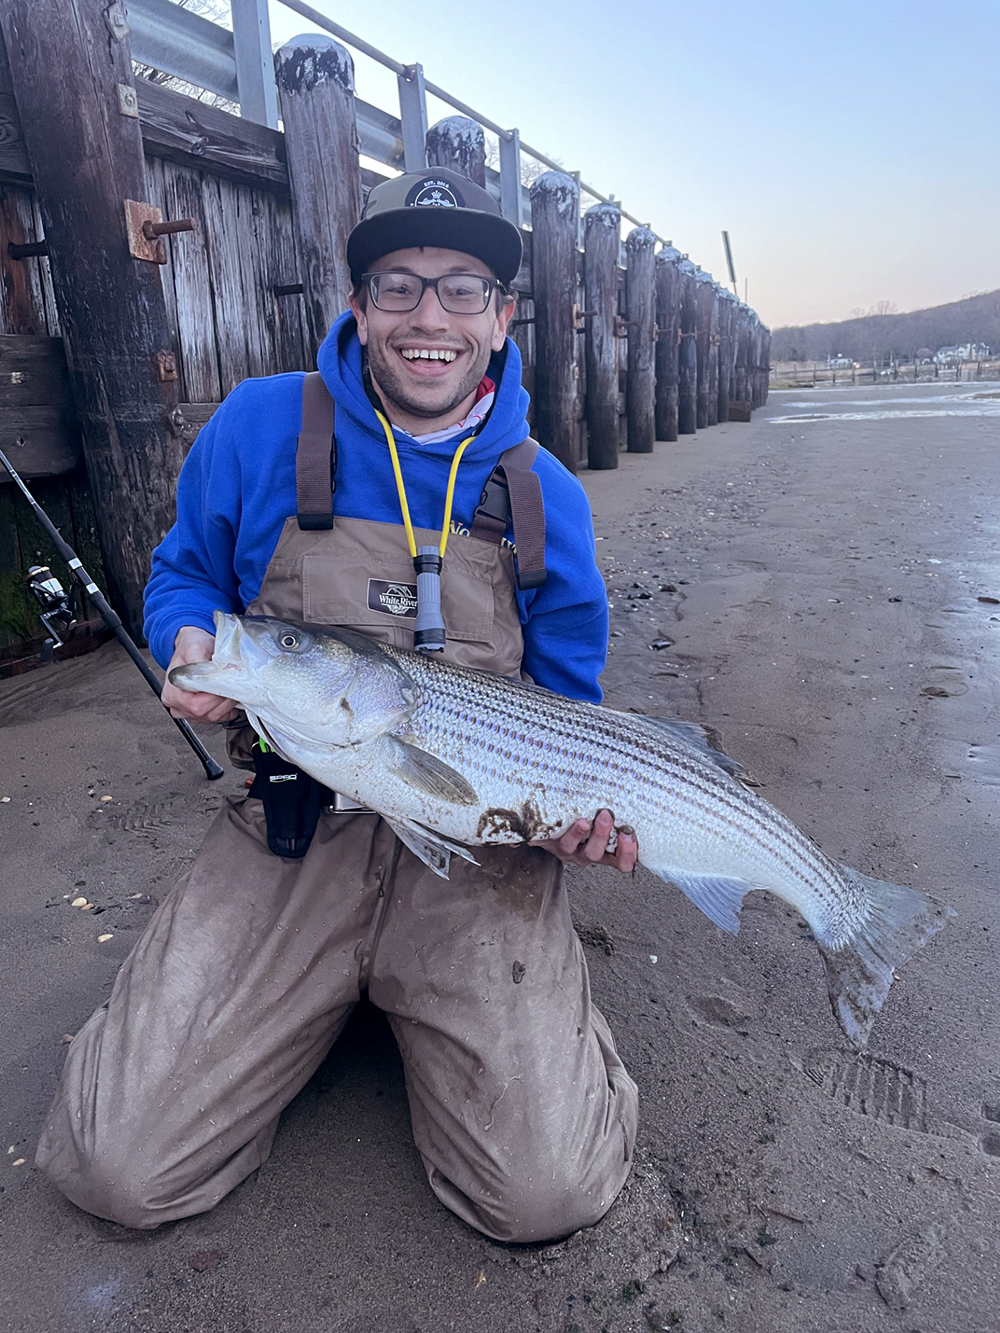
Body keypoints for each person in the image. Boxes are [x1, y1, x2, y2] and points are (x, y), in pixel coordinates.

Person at [35, 167, 640, 1244]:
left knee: (545, 1194)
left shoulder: (549, 493)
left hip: (476, 853)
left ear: (501, 322)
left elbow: (569, 709)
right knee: (113, 1168)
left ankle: (521, 1027)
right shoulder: (261, 424)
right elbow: (183, 576)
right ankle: (305, 996)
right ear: (356, 306)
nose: (428, 318)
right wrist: (190, 639)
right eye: (399, 285)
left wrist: (581, 825)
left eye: (463, 291)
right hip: (290, 823)